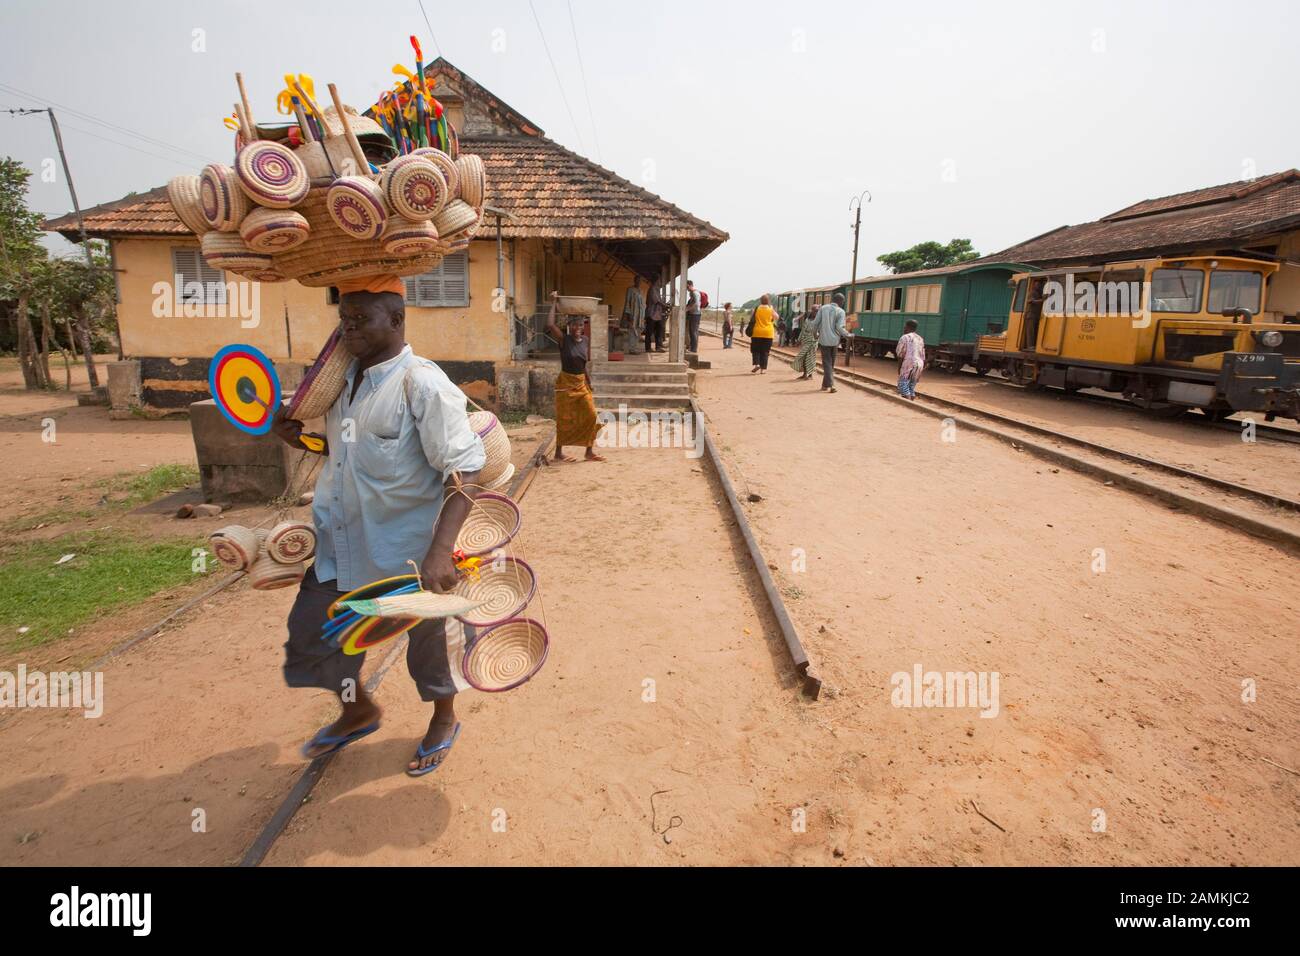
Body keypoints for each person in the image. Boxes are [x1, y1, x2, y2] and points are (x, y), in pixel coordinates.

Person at [271, 274, 485, 777]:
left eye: (361, 319)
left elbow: (466, 469)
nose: (349, 330)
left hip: (407, 552)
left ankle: (443, 718)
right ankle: (357, 710)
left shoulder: (423, 384)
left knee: (430, 644)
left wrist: (441, 550)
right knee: (311, 634)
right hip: (340, 546)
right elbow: (344, 453)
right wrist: (297, 438)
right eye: (344, 319)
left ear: (396, 319)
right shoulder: (341, 382)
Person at [544, 292, 607, 462]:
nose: (577, 328)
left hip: (581, 383)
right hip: (565, 383)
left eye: (580, 325)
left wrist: (589, 381)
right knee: (564, 418)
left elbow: (584, 364)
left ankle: (589, 452)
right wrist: (554, 302)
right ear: (569, 327)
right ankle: (558, 453)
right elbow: (550, 324)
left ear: (583, 326)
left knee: (592, 416)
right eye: (574, 325)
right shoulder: (564, 340)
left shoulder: (586, 340)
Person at [813, 293, 848, 393]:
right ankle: (829, 385)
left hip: (824, 340)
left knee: (828, 364)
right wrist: (847, 334)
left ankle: (827, 385)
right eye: (843, 302)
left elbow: (815, 323)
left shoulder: (823, 308)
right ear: (841, 301)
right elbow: (840, 327)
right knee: (830, 364)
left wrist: (815, 334)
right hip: (835, 341)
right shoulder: (841, 311)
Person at [897, 319, 925, 400]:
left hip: (909, 363)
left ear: (907, 327)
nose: (904, 328)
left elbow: (900, 354)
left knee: (902, 386)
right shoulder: (920, 338)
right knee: (911, 387)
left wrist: (899, 368)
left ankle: (908, 405)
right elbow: (922, 355)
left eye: (905, 327)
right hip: (919, 364)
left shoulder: (904, 337)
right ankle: (912, 402)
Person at [749, 294, 777, 373]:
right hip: (768, 333)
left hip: (757, 332)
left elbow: (751, 318)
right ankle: (763, 369)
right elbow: (777, 317)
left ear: (760, 301)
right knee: (765, 351)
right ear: (768, 301)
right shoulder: (771, 308)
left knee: (756, 350)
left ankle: (757, 364)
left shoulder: (757, 308)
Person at [790, 305, 819, 380]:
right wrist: (798, 340)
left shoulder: (819, 321)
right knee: (803, 357)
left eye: (817, 311)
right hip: (805, 341)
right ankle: (805, 374)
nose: (816, 312)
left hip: (813, 342)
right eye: (814, 310)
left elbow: (820, 332)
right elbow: (802, 331)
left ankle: (810, 375)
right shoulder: (807, 320)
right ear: (811, 311)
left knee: (810, 358)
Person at [621, 275, 646, 355]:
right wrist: (628, 314)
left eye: (640, 281)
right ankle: (631, 349)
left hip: (640, 315)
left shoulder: (641, 291)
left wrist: (643, 316)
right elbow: (627, 302)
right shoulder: (630, 290)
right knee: (632, 330)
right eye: (637, 280)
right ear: (634, 281)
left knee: (638, 331)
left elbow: (642, 304)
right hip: (633, 314)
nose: (639, 282)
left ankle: (635, 348)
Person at [645, 280, 666, 353]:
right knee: (649, 332)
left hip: (657, 314)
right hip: (652, 314)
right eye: (659, 280)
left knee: (659, 331)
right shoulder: (652, 289)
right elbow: (656, 301)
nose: (660, 282)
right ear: (657, 281)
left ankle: (658, 347)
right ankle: (648, 348)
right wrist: (664, 305)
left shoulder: (656, 289)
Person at [684, 280, 702, 353]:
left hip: (695, 314)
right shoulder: (692, 293)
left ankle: (693, 349)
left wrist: (686, 309)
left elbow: (696, 304)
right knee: (692, 332)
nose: (686, 288)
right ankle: (692, 348)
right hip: (693, 314)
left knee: (693, 332)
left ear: (689, 285)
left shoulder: (695, 293)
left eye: (686, 286)